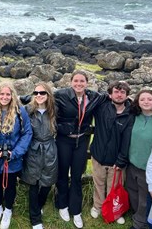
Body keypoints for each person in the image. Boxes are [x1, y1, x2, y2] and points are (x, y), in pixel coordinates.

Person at [54, 70, 107, 228]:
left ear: (87, 83)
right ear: (71, 82)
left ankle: (75, 210)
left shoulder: (93, 96)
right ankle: (62, 205)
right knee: (62, 174)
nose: (78, 84)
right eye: (76, 81)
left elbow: (109, 96)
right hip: (64, 140)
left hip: (82, 141)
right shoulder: (61, 95)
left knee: (77, 175)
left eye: (82, 81)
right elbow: (41, 97)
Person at [0, 81, 32, 229]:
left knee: (10, 185)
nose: (4, 97)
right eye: (2, 94)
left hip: (12, 158)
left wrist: (15, 153)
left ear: (12, 95)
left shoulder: (20, 112)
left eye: (8, 94)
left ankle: (8, 210)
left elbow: (27, 133)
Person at [89, 81, 134, 225]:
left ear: (127, 96)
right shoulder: (101, 107)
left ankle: (115, 210)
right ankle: (98, 206)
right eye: (116, 91)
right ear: (110, 94)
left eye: (122, 92)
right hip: (98, 155)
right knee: (99, 184)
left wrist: (121, 160)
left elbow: (128, 140)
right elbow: (90, 95)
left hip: (117, 159)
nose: (119, 95)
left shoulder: (131, 114)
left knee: (115, 187)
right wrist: (103, 96)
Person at [125, 89, 152, 229]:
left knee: (144, 197)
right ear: (137, 102)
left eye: (149, 99)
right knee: (132, 191)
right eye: (142, 99)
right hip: (132, 163)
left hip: (150, 167)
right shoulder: (135, 115)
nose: (146, 102)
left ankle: (140, 223)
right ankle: (137, 214)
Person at [20, 82, 57, 229]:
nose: (39, 96)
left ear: (48, 94)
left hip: (50, 148)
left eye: (42, 93)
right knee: (33, 182)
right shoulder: (27, 110)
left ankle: (39, 204)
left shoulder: (54, 110)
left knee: (48, 181)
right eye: (36, 93)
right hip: (33, 148)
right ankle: (35, 218)